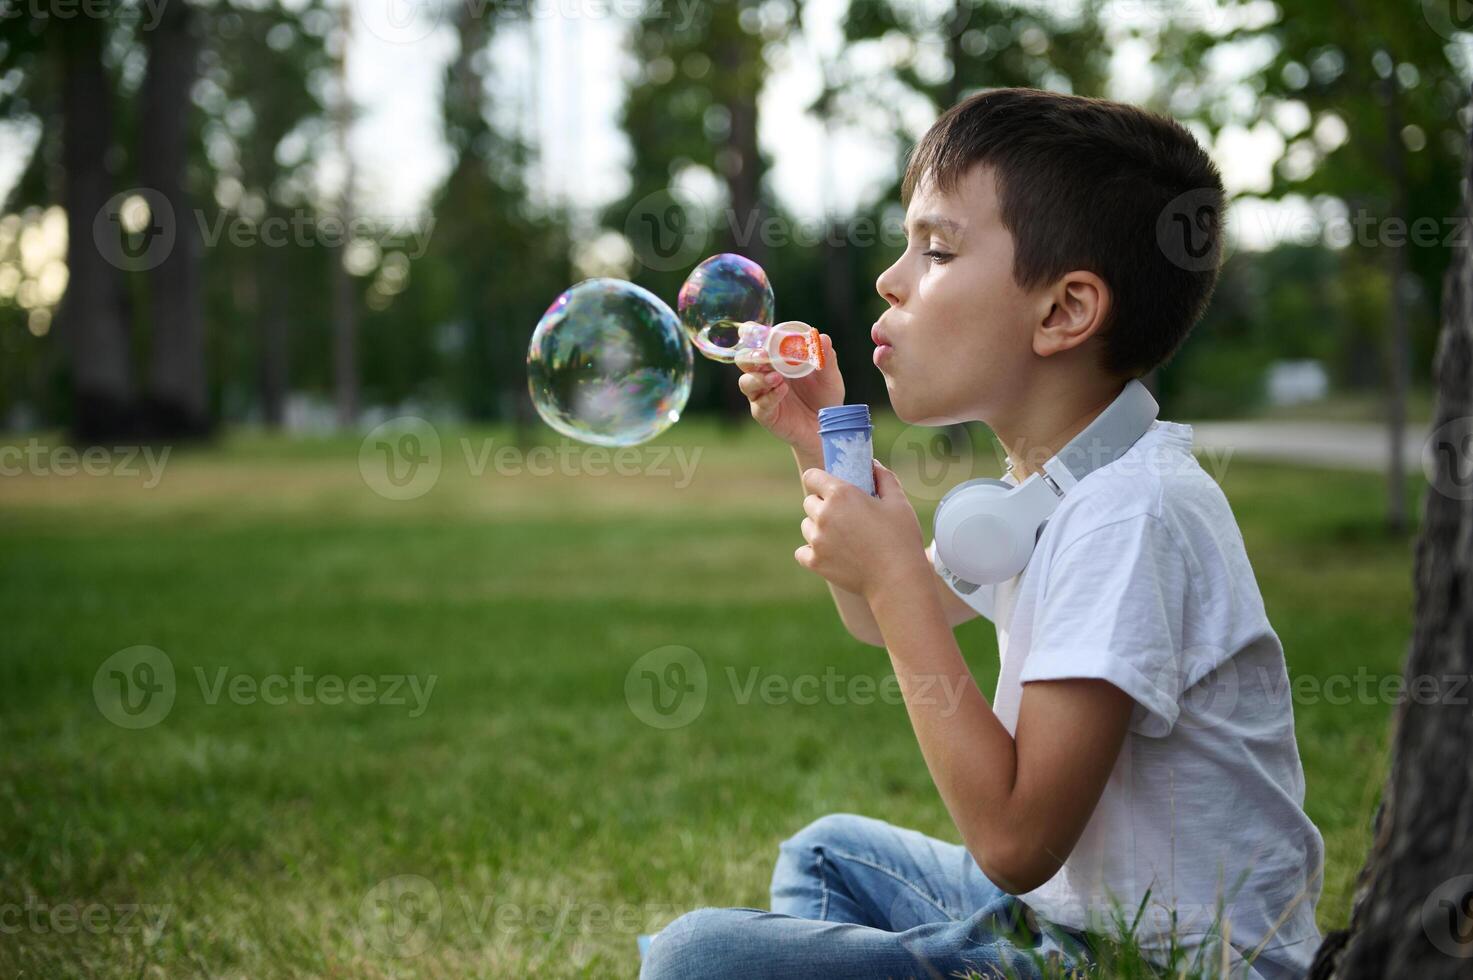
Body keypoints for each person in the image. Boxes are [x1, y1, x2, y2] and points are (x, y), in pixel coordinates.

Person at [641, 88, 1325, 980]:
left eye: (935, 250)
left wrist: (890, 578)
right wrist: (824, 444)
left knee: (701, 959)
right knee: (825, 854)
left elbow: (1014, 840)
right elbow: (870, 618)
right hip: (1059, 926)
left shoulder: (1128, 514)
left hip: (1149, 963)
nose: (890, 278)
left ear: (1062, 313)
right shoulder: (1048, 489)